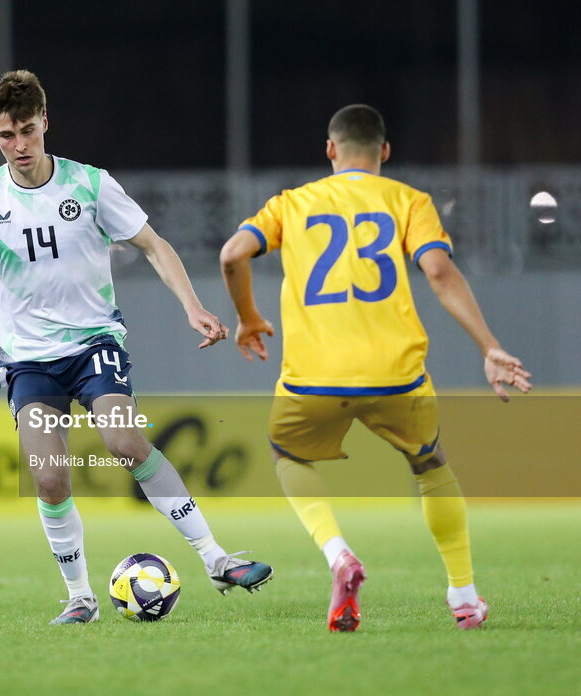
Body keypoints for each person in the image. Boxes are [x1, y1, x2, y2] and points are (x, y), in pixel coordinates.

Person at [0, 70, 273, 625]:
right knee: (50, 475)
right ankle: (80, 596)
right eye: (6, 136)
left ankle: (217, 558)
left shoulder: (91, 185)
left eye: (28, 130)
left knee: (124, 439)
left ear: (45, 122)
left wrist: (192, 306)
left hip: (92, 340)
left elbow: (153, 245)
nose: (20, 145)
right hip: (25, 357)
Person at [219, 104, 532, 632]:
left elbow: (232, 255)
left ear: (330, 151)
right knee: (431, 465)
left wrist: (248, 319)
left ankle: (338, 553)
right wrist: (489, 345)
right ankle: (464, 597)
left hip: (313, 376)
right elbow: (438, 270)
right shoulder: (409, 201)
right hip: (397, 375)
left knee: (286, 454)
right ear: (384, 151)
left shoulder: (291, 204)